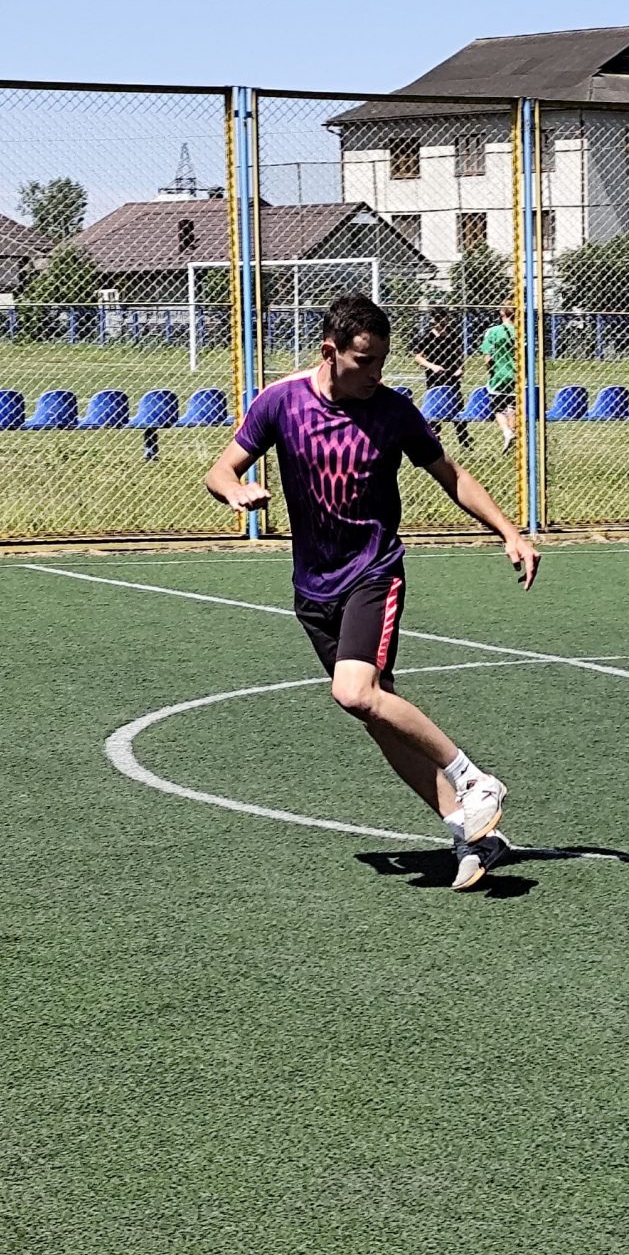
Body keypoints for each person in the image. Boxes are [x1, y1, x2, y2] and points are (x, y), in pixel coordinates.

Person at [206, 294, 540, 891]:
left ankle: (474, 780)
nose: (376, 373)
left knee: (355, 693)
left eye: (382, 360)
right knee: (378, 714)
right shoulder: (281, 402)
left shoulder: (393, 411)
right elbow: (219, 468)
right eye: (365, 361)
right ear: (330, 352)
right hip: (313, 587)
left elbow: (452, 475)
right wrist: (234, 490)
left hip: (373, 572)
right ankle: (469, 833)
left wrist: (509, 531)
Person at [411, 307, 467, 444]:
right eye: (436, 319)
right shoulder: (428, 337)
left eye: (442, 318)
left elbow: (459, 355)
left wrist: (460, 368)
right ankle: (435, 437)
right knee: (434, 407)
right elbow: (418, 357)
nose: (440, 322)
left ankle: (463, 437)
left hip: (452, 377)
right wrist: (432, 366)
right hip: (434, 378)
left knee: (457, 406)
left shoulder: (453, 336)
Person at [479, 308, 519, 450]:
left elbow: (487, 357)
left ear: (502, 314)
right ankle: (514, 438)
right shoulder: (520, 332)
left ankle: (507, 432)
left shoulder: (493, 331)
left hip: (498, 375)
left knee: (498, 408)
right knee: (512, 407)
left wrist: (490, 369)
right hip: (516, 375)